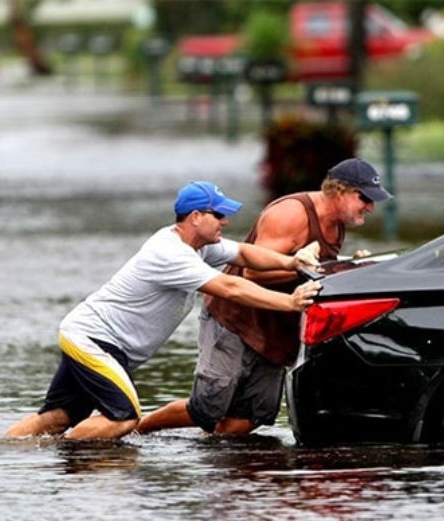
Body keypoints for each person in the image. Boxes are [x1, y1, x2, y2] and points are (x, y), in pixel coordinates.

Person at [4, 181, 322, 440]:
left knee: (58, 418)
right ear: (196, 217)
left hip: (94, 338)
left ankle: (0, 451)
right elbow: (231, 288)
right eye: (219, 215)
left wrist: (291, 261)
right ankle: (66, 463)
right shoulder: (171, 254)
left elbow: (245, 254)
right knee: (124, 419)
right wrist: (290, 302)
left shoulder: (198, 245)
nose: (226, 221)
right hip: (93, 339)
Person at [137, 158, 391, 436]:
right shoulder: (291, 214)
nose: (370, 206)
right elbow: (252, 274)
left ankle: (215, 468)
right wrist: (313, 270)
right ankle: (138, 429)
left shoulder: (337, 222)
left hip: (274, 327)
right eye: (364, 198)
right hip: (235, 319)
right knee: (207, 408)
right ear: (339, 191)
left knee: (251, 417)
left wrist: (348, 266)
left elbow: (313, 270)